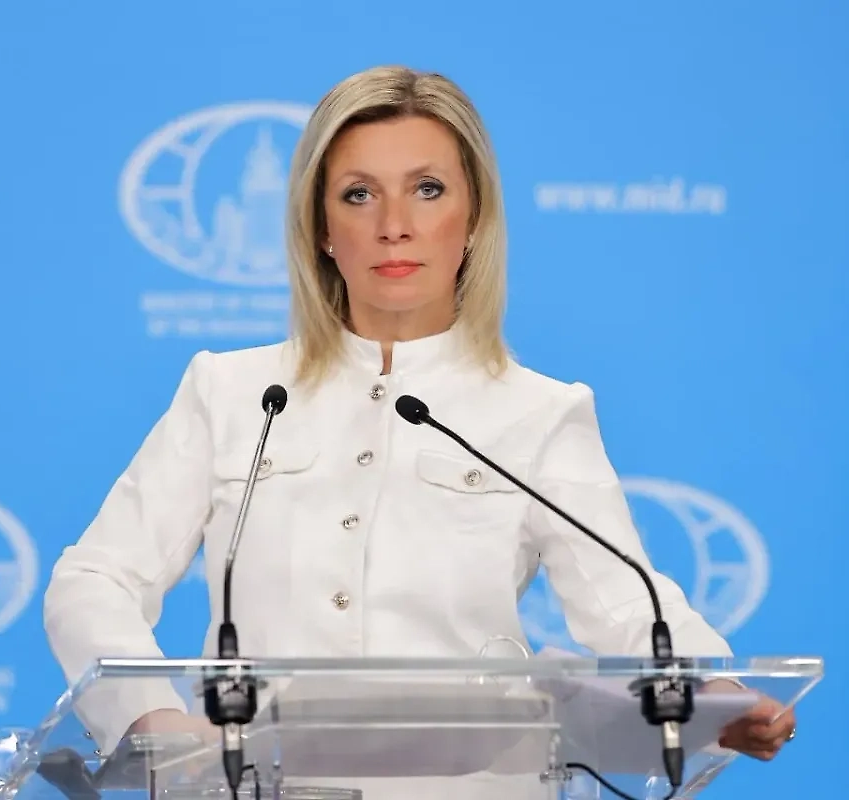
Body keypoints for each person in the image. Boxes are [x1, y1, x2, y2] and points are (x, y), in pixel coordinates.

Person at [43, 64, 796, 791]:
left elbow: (630, 606)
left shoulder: (539, 411)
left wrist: (716, 695)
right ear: (321, 228)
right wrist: (155, 725)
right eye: (359, 194)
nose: (395, 227)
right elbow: (93, 580)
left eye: (427, 190)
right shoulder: (232, 393)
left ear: (474, 220)